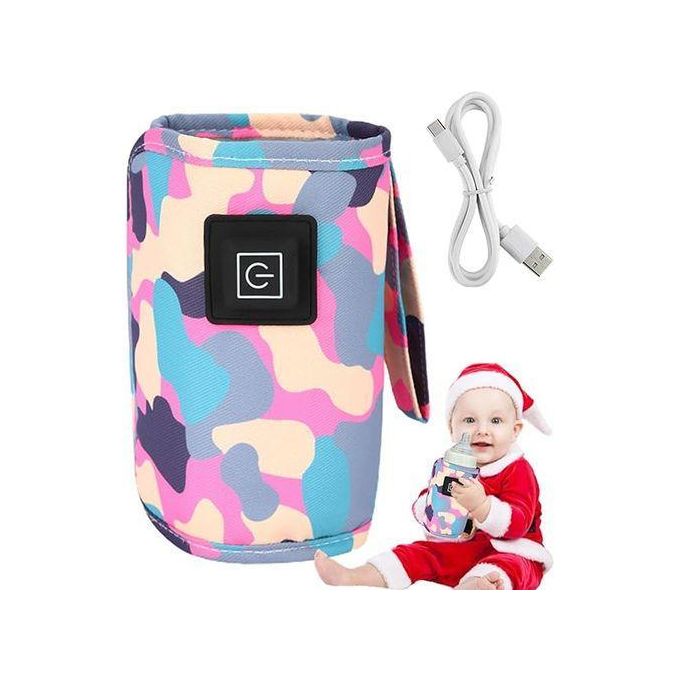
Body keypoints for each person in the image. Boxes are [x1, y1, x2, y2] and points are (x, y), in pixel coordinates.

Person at [314, 363, 553, 590]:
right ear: (452, 428)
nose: (482, 430)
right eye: (469, 420)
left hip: (509, 549)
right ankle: (354, 576)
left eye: (496, 420)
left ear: (515, 430)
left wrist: (482, 506)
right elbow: (426, 503)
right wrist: (431, 503)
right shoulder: (451, 466)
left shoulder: (517, 470)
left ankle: (479, 585)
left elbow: (518, 523)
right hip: (458, 547)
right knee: (418, 553)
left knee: (509, 567)